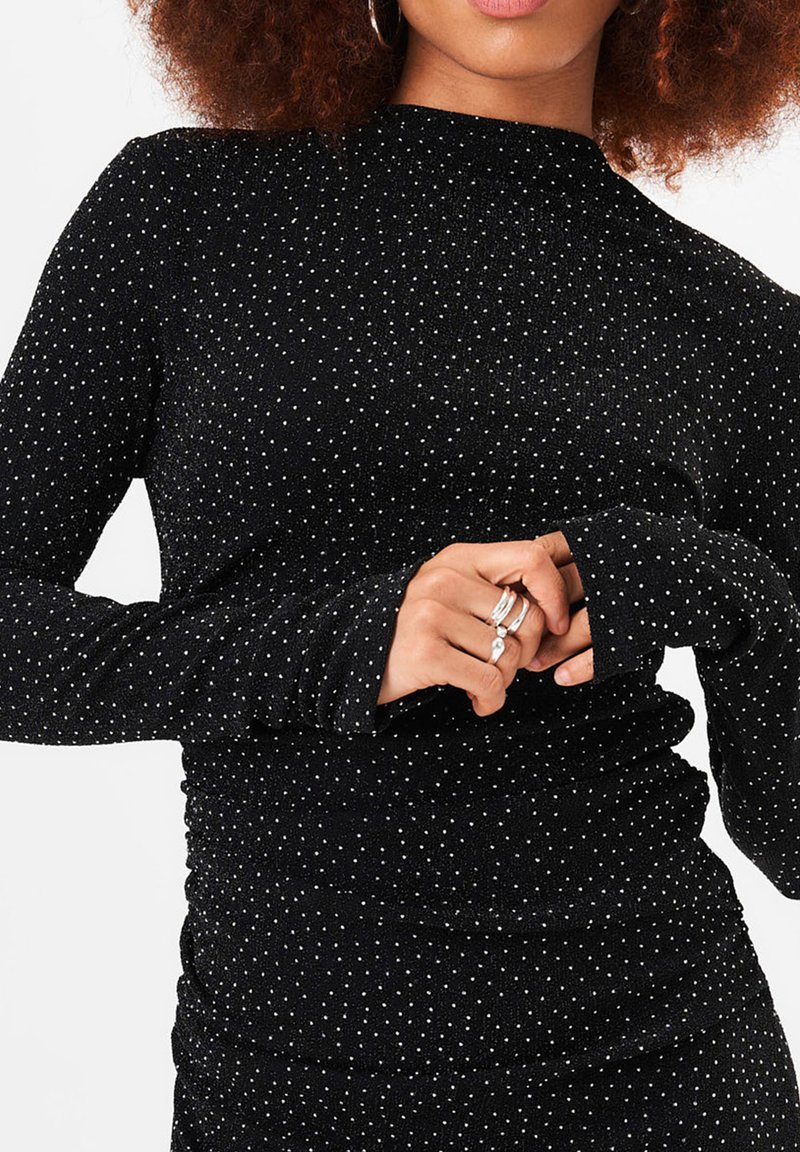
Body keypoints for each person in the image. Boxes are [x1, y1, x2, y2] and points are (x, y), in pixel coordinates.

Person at [2, 0, 800, 1146]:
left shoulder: (740, 333)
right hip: (287, 1090)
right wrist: (347, 644)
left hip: (664, 1081)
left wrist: (719, 589)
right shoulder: (180, 215)